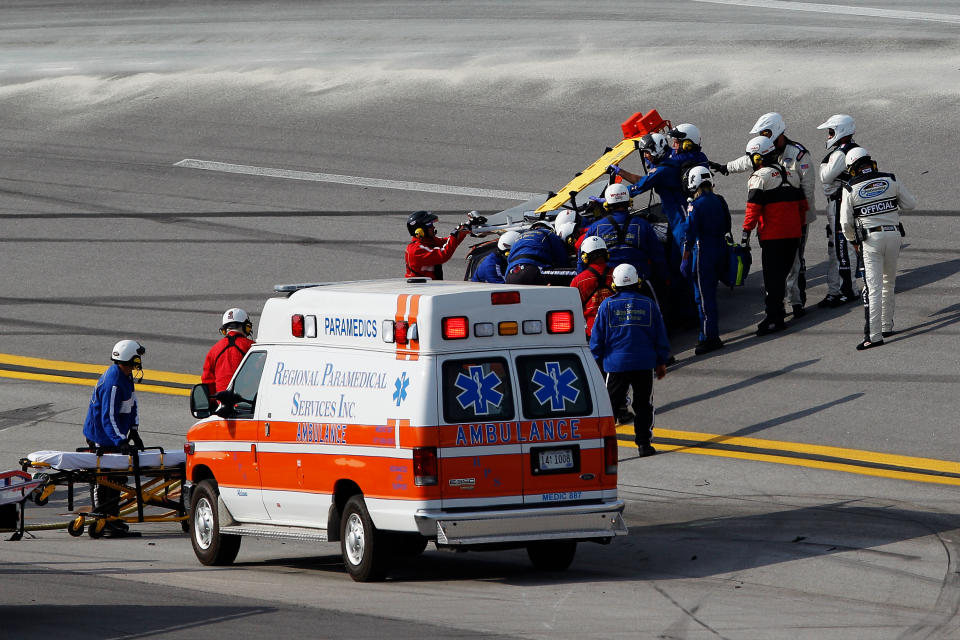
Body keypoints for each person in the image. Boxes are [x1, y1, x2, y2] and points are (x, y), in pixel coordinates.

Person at [711, 113, 817, 317]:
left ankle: (796, 302)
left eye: (766, 133)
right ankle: (783, 302)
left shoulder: (798, 155)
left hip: (796, 217)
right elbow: (747, 160)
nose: (763, 137)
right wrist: (725, 168)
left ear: (777, 131)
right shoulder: (765, 151)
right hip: (772, 221)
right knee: (781, 266)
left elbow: (808, 189)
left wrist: (802, 217)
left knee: (795, 261)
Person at [839, 148, 917, 350]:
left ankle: (873, 337)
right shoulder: (890, 178)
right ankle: (886, 325)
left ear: (852, 168)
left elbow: (845, 224)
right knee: (888, 282)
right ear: (870, 162)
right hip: (894, 235)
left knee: (872, 289)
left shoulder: (849, 188)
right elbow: (910, 204)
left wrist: (853, 242)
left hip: (870, 240)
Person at [589, 264, 670, 457]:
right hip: (643, 364)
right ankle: (644, 445)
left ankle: (603, 448)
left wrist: (597, 360)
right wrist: (661, 361)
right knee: (643, 405)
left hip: (615, 366)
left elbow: (596, 338)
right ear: (637, 282)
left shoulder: (607, 305)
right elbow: (660, 336)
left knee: (610, 407)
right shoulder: (649, 305)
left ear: (615, 285)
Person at [740, 135, 806, 336]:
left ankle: (774, 318)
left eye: (752, 157)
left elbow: (753, 209)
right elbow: (803, 207)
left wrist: (745, 235)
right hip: (794, 235)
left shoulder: (759, 178)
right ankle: (776, 313)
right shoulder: (792, 174)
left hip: (773, 237)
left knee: (772, 279)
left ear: (759, 158)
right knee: (781, 276)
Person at [81, 339, 146, 537]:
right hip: (102, 436)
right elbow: (107, 417)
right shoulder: (113, 382)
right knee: (103, 479)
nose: (139, 361)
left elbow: (132, 404)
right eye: (137, 358)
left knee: (117, 477)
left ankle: (113, 519)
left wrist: (133, 430)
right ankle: (102, 519)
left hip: (114, 436)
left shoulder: (126, 377)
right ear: (130, 359)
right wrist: (121, 441)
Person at [577, 182, 666, 292]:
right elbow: (658, 257)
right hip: (639, 283)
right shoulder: (643, 225)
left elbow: (582, 259)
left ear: (606, 204)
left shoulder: (595, 228)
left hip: (608, 285)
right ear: (629, 202)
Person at [681, 166, 731, 354]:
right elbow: (727, 224)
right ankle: (707, 334)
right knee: (709, 295)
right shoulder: (719, 200)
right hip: (720, 249)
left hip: (703, 253)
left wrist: (685, 259)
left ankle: (710, 337)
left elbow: (690, 233)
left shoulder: (696, 205)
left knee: (703, 297)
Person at [817, 114, 860, 307]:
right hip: (841, 203)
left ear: (841, 131)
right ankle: (836, 290)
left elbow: (826, 178)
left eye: (831, 131)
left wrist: (825, 166)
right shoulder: (853, 150)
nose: (828, 135)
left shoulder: (842, 153)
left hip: (841, 204)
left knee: (843, 248)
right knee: (836, 249)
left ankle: (847, 291)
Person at [202, 308, 256, 395]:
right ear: (247, 327)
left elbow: (207, 381)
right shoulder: (253, 347)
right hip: (247, 404)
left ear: (224, 330)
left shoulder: (214, 350)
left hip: (222, 404)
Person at [405, 210, 471, 280]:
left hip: (431, 286)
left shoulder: (428, 241)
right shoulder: (416, 250)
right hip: (420, 288)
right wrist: (455, 233)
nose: (433, 227)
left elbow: (448, 242)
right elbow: (443, 254)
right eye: (430, 225)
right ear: (420, 231)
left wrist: (467, 226)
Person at [570, 236, 614, 338]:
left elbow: (573, 310)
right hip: (618, 330)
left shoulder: (578, 281)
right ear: (606, 254)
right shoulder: (617, 274)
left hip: (593, 332)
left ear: (585, 257)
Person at [504, 220, 570, 285]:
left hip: (510, 277)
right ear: (550, 229)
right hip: (531, 271)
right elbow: (562, 259)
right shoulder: (548, 233)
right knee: (576, 274)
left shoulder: (518, 239)